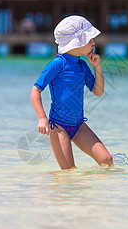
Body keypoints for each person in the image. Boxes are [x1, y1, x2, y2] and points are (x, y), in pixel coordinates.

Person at [30, 15, 113, 170]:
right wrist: (42, 118)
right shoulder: (57, 64)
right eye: (89, 39)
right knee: (69, 173)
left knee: (107, 161)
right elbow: (35, 90)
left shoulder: (82, 66)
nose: (93, 43)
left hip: (79, 125)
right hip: (59, 127)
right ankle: (49, 189)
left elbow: (98, 92)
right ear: (76, 42)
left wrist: (97, 67)